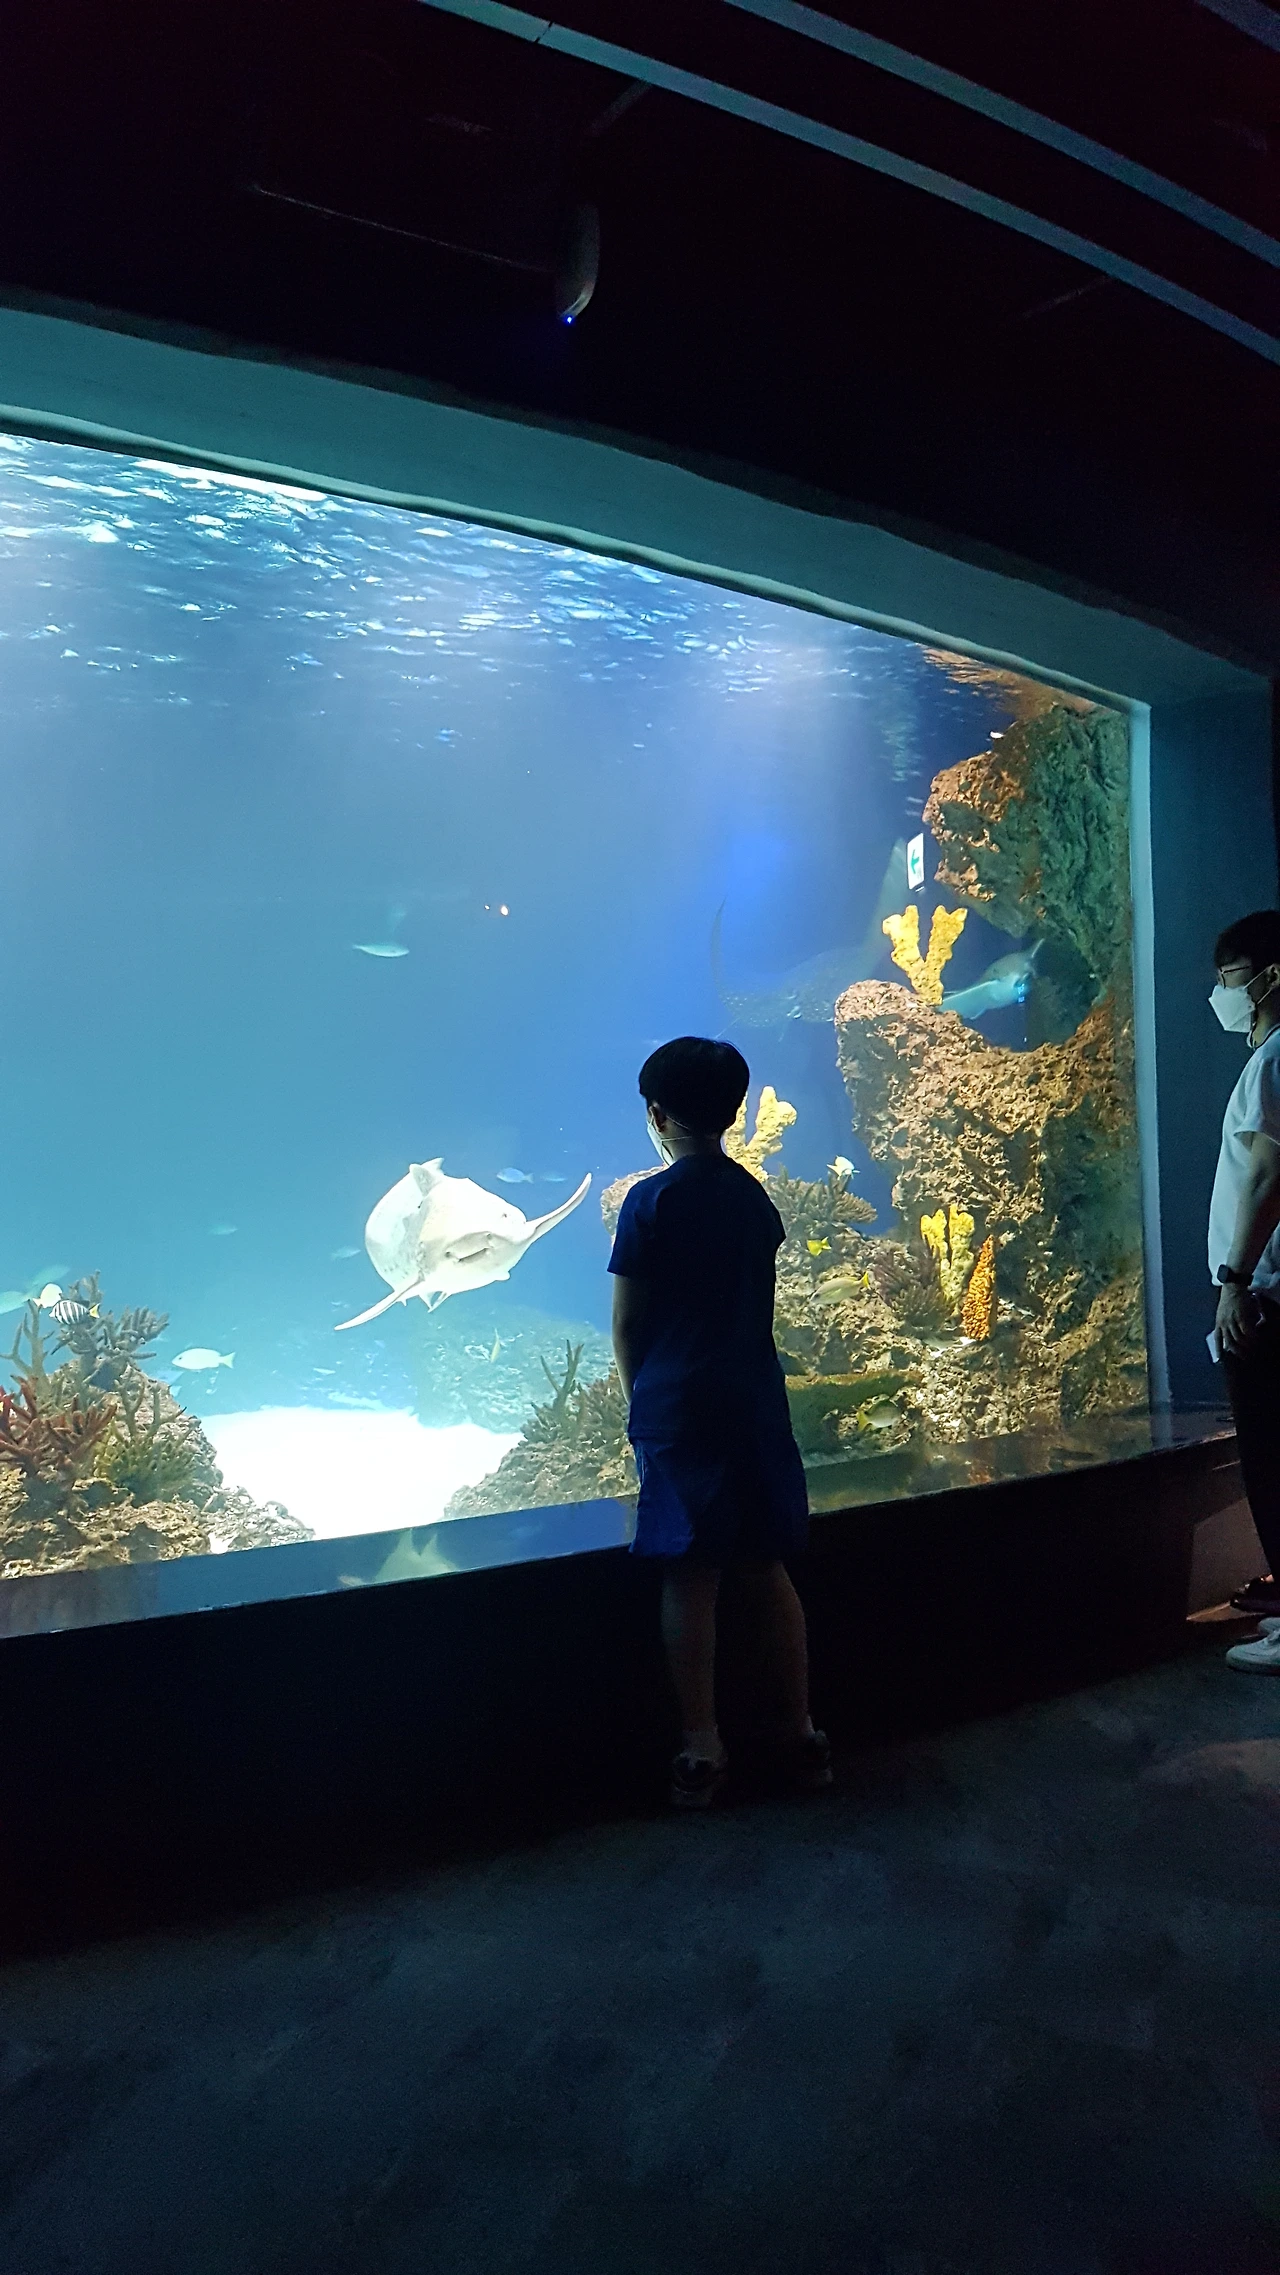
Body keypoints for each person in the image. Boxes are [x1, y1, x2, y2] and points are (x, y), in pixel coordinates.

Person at [608, 1035, 832, 1807]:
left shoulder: (649, 1202)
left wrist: (641, 1402)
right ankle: (801, 1732)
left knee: (691, 1572)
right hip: (755, 1400)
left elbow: (628, 1323)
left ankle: (702, 1744)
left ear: (656, 1116)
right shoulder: (752, 1197)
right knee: (766, 1565)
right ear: (735, 1114)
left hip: (679, 1407)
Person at [1204, 912, 1280, 1675]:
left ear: (1269, 976)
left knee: (1271, 1455)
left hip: (1265, 1296)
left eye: (1229, 977)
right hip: (1269, 1288)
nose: (1221, 993)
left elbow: (1264, 1173)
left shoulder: (1273, 1059)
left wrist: (1235, 1278)